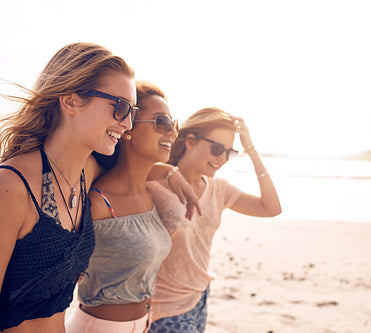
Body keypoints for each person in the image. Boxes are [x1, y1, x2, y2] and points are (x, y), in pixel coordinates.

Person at [0, 43, 197, 333]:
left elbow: (131, 169)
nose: (128, 123)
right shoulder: (12, 187)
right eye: (119, 107)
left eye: (132, 111)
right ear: (70, 102)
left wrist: (170, 173)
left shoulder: (85, 172)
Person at [147, 107, 282, 332]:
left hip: (200, 296)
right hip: (164, 305)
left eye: (229, 153)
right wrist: (166, 171)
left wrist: (251, 149)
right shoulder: (154, 184)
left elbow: (271, 208)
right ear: (190, 141)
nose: (222, 159)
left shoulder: (219, 189)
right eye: (217, 149)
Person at [64, 80, 183, 333]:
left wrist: (172, 172)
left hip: (142, 325)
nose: (172, 132)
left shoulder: (151, 193)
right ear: (128, 127)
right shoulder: (98, 202)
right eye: (162, 122)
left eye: (174, 125)